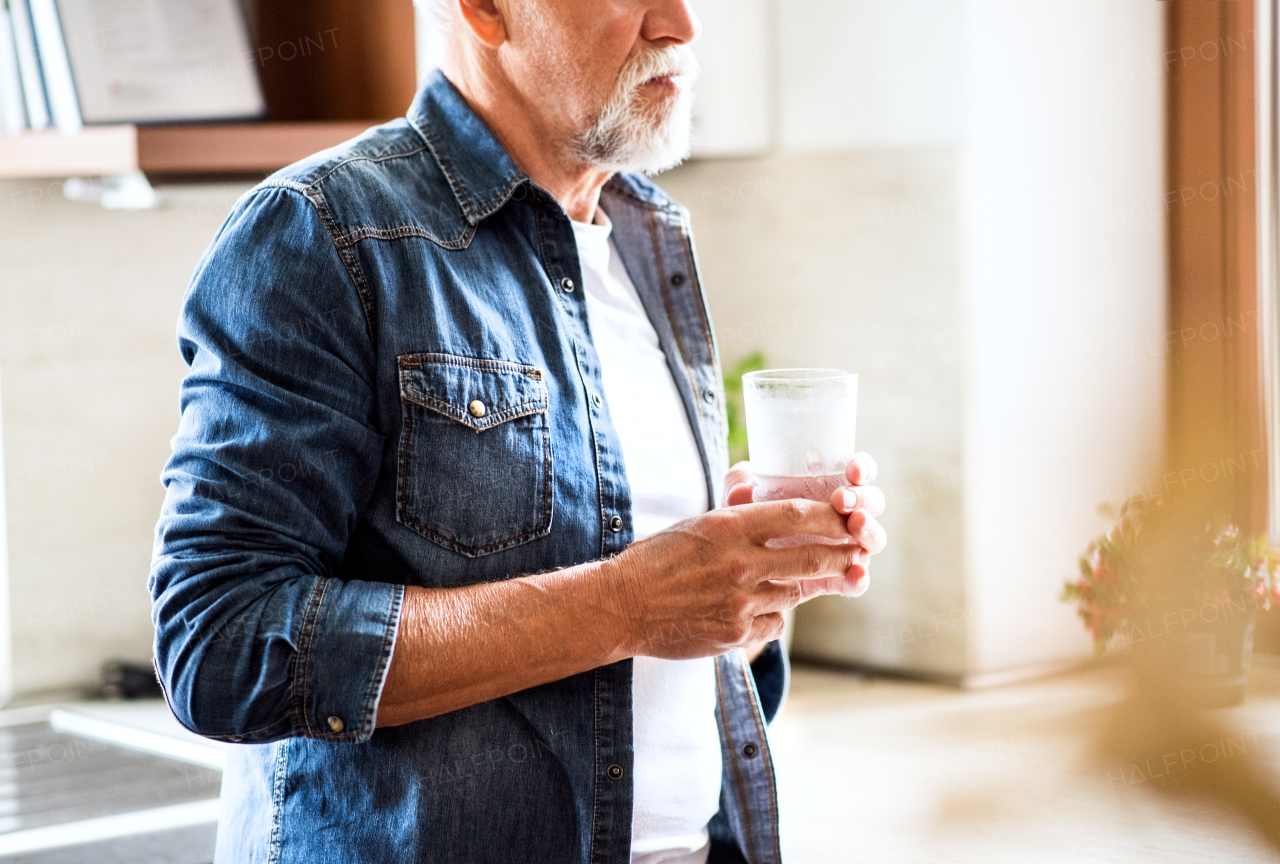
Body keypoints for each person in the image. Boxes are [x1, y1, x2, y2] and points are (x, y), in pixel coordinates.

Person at [149, 0, 888, 861]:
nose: (681, 24)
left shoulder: (649, 237)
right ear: (488, 10)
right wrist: (630, 605)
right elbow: (221, 643)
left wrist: (744, 601)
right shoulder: (323, 232)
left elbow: (647, 661)